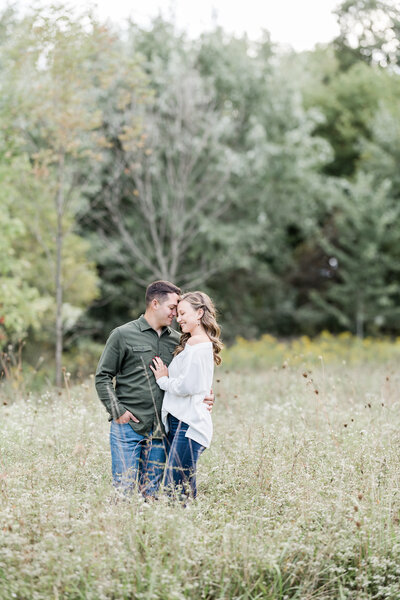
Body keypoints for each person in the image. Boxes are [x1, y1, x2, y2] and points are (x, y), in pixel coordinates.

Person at [95, 281, 214, 497]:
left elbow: (193, 376)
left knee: (149, 494)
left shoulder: (180, 341)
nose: (176, 315)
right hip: (127, 427)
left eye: (179, 311)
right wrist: (118, 411)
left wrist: (204, 397)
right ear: (155, 303)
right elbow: (102, 377)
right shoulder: (122, 334)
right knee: (124, 491)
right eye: (172, 308)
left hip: (161, 431)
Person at [150, 291, 222, 499]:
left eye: (183, 313)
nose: (178, 318)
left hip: (188, 424)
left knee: (175, 487)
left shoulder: (196, 344)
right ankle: (188, 524)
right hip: (180, 420)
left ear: (199, 313)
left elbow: (187, 386)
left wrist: (162, 379)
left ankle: (177, 525)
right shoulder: (195, 342)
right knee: (183, 487)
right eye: (177, 313)